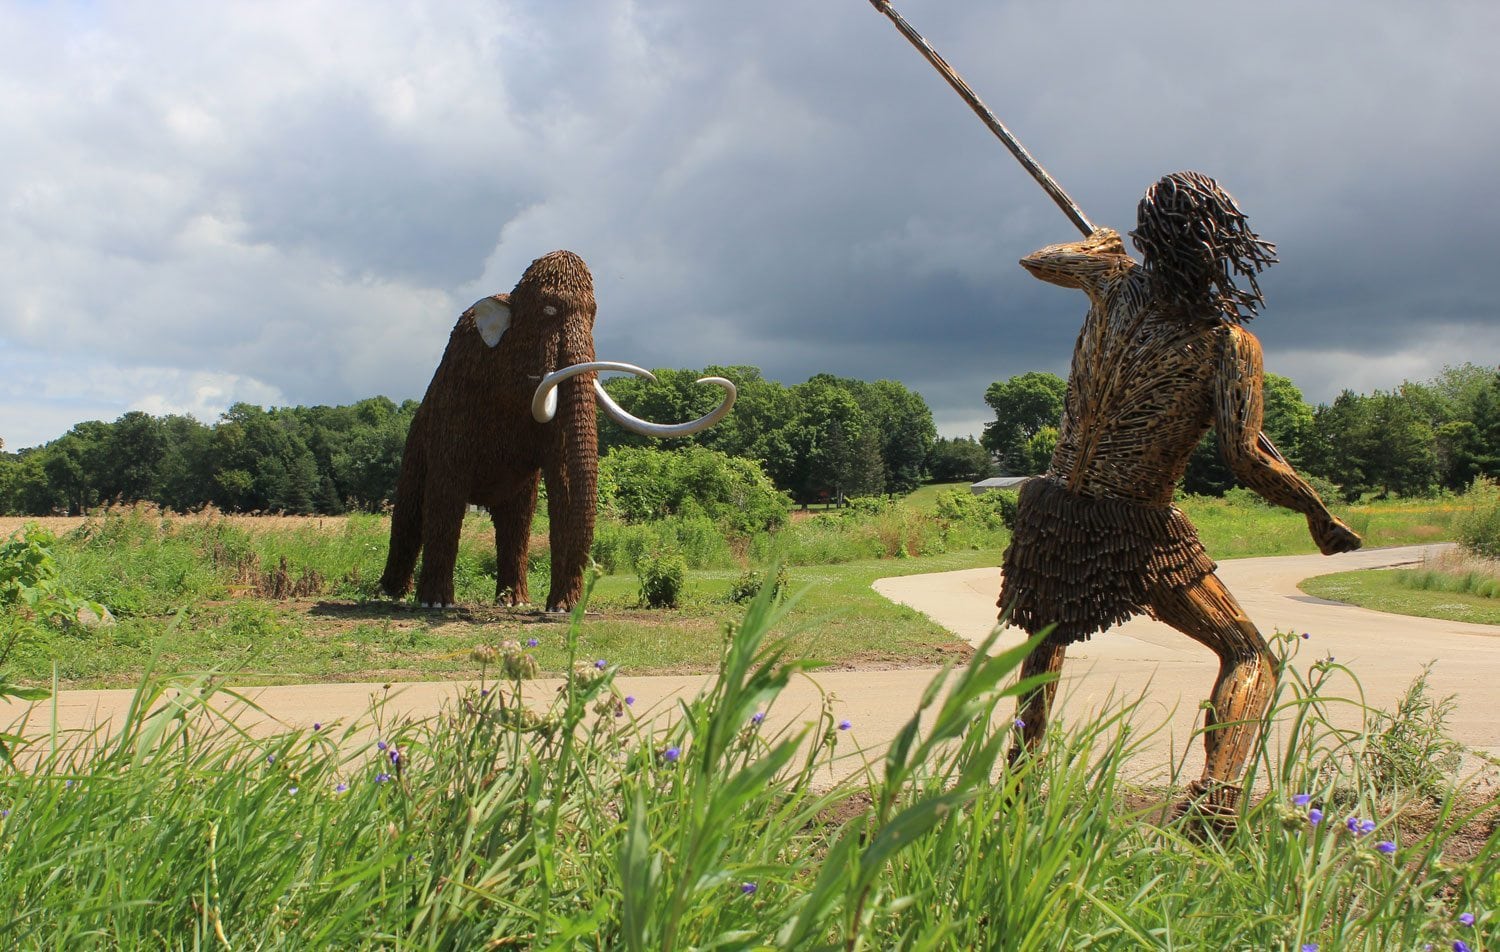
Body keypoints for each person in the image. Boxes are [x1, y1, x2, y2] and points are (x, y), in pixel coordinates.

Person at [1000, 171, 1361, 821]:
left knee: (1044, 641)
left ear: (1150, 236)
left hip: (1053, 509)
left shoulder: (1111, 287)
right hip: (1135, 526)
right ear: (1223, 243)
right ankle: (1217, 804)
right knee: (1248, 655)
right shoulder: (1225, 344)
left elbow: (1042, 261)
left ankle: (1019, 788)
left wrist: (1101, 253)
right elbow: (1247, 459)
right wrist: (1313, 509)